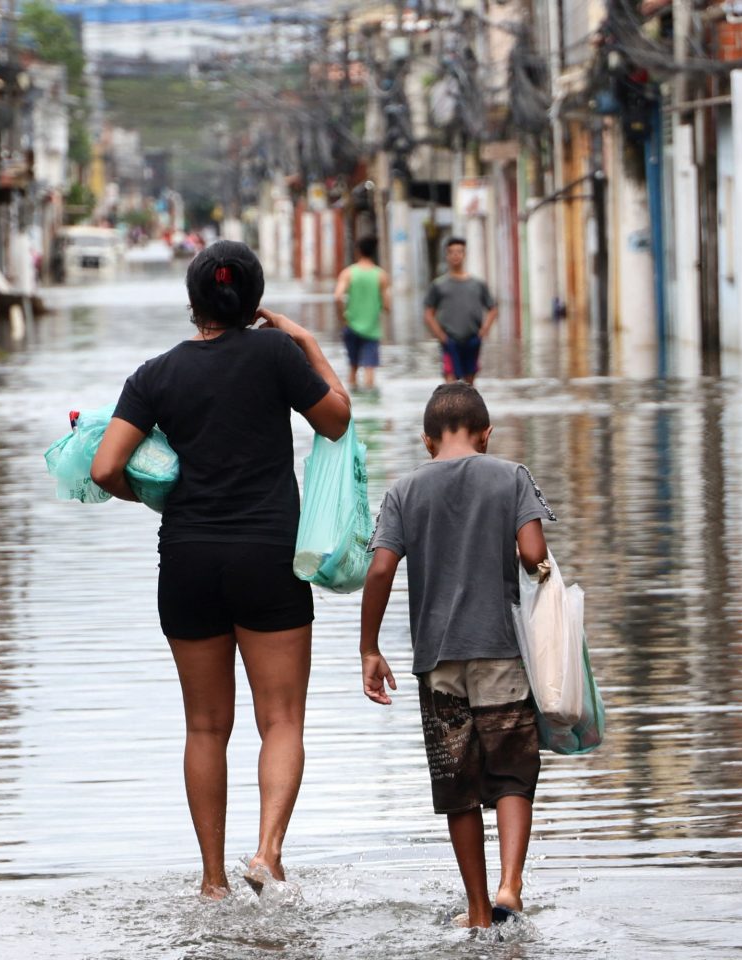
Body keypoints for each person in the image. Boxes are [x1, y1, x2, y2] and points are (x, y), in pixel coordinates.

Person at [89, 241, 352, 900]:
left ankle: (211, 882)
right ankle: (266, 852)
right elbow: (337, 421)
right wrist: (305, 341)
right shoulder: (275, 356)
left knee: (205, 726)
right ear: (252, 303)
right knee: (281, 721)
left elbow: (103, 468)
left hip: (187, 561)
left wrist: (155, 496)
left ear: (193, 303)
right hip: (268, 558)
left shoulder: (155, 375)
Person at [358, 382, 555, 928]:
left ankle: (476, 910)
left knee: (459, 785)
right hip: (501, 651)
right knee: (513, 772)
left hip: (438, 661)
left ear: (427, 441)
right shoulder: (511, 476)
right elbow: (534, 552)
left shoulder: (403, 491)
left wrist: (369, 647)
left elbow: (379, 568)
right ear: (486, 435)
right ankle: (510, 886)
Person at [424, 238, 497, 384]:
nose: (455, 255)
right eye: (452, 252)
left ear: (464, 254)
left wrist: (485, 329)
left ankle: (468, 407)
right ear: (447, 255)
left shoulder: (478, 284)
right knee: (450, 382)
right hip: (449, 340)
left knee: (470, 383)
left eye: (459, 252)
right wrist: (440, 335)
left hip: (472, 339)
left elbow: (492, 308)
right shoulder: (438, 285)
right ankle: (450, 407)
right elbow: (428, 313)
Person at [333, 235, 390, 390]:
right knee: (370, 369)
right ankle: (371, 404)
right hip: (372, 329)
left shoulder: (348, 273)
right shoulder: (381, 275)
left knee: (352, 368)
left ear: (358, 251)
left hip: (351, 326)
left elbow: (338, 297)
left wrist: (343, 317)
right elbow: (387, 305)